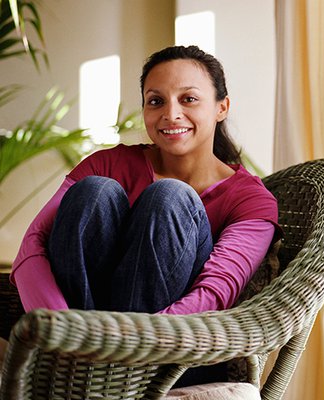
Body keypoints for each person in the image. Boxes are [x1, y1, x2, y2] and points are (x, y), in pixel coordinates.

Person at [10, 45, 281, 385]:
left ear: (221, 108)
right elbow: (32, 247)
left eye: (189, 99)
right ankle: (85, 363)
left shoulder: (251, 199)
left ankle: (118, 369)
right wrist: (62, 329)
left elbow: (215, 292)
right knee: (95, 191)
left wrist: (133, 342)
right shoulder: (108, 163)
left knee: (169, 197)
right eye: (156, 101)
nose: (171, 114)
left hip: (172, 355)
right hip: (77, 352)